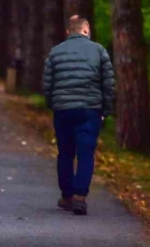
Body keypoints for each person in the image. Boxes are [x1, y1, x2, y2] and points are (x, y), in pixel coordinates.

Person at [42, 15, 115, 216]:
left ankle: (66, 196)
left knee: (65, 153)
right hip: (90, 110)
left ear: (68, 32)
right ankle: (80, 197)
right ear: (86, 29)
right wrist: (105, 110)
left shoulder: (55, 52)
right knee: (85, 154)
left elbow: (47, 84)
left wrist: (53, 105)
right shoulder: (99, 50)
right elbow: (108, 84)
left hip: (63, 110)